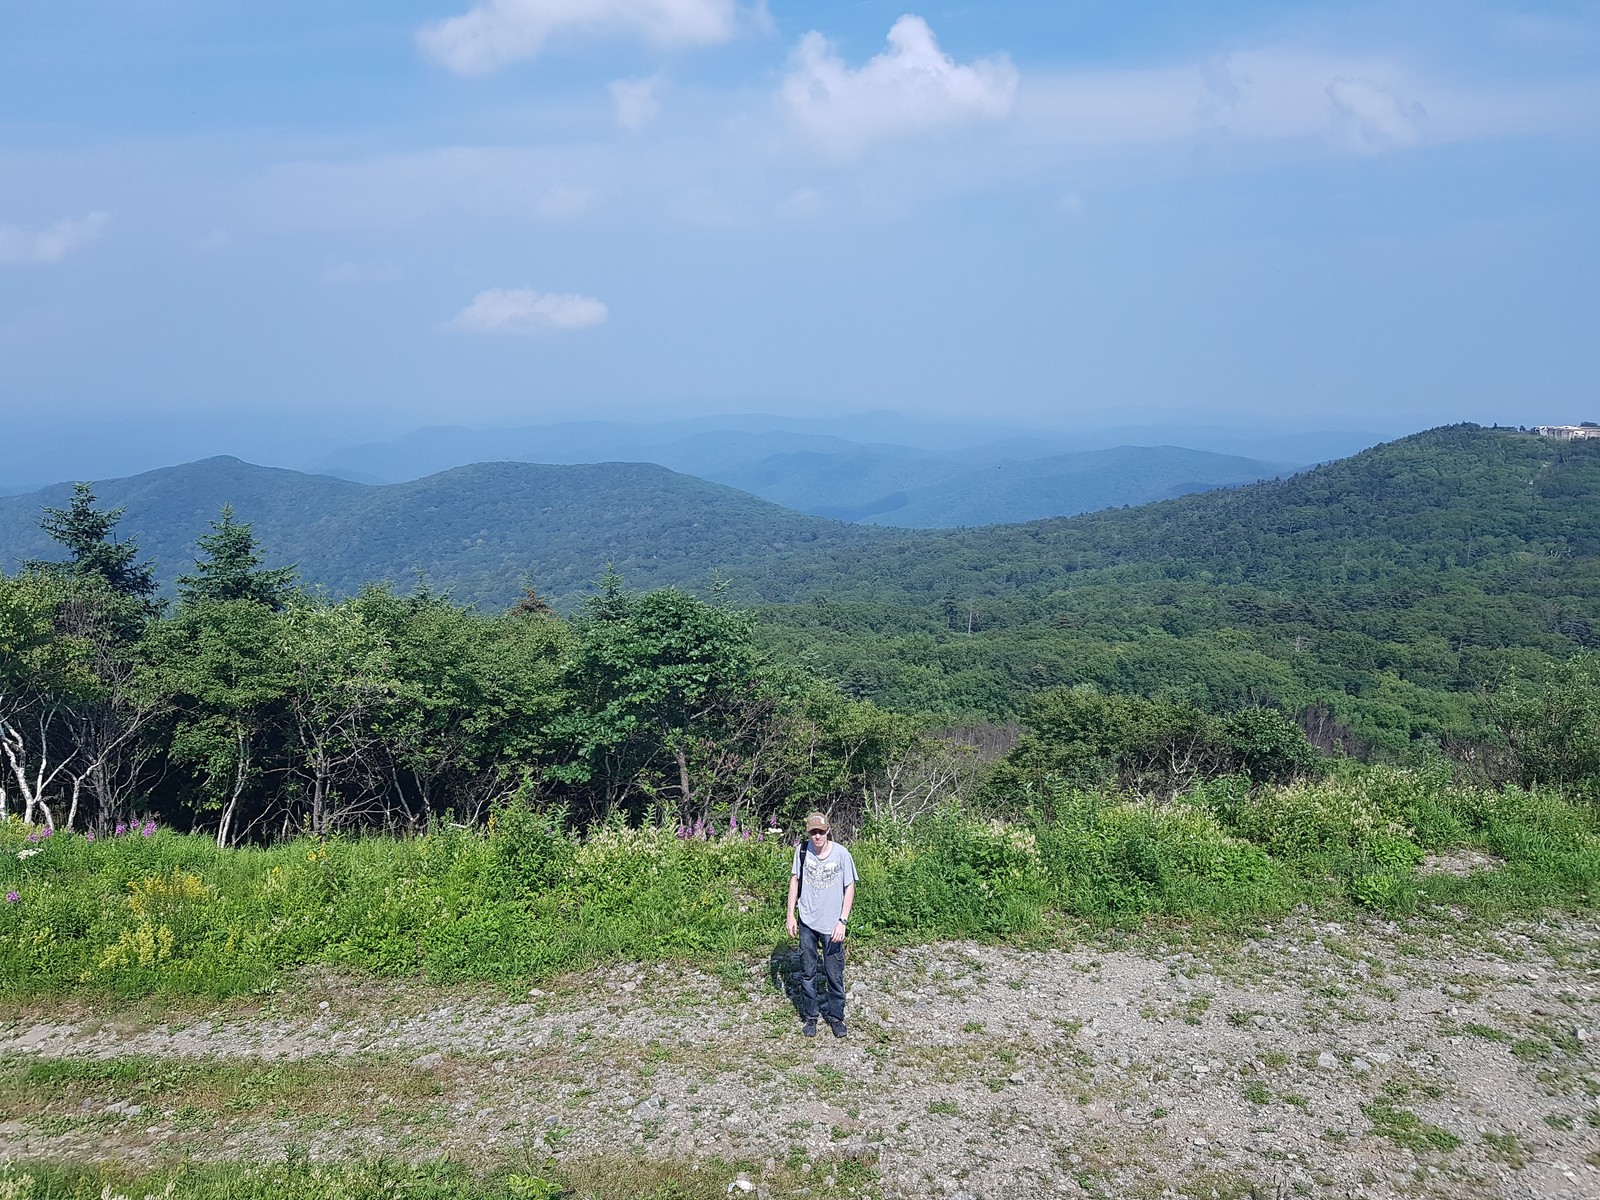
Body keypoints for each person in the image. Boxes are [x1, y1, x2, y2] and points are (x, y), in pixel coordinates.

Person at [786, 811, 858, 1038]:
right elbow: (794, 881)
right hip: (807, 921)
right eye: (813, 832)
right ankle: (810, 1018)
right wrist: (790, 914)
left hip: (833, 924)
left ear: (828, 831)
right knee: (807, 973)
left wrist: (842, 921)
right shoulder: (802, 851)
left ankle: (836, 1018)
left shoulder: (841, 854)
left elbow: (850, 888)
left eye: (821, 831)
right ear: (808, 833)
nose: (817, 836)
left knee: (833, 973)